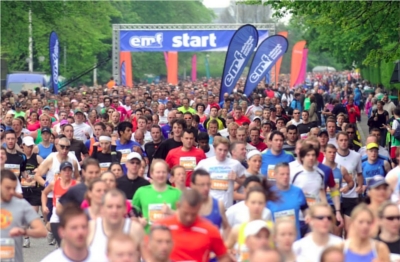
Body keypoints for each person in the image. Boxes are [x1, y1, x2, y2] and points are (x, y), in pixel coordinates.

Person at [156, 189, 229, 261]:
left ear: (199, 208)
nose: (189, 218)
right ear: (178, 206)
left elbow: (224, 256)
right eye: (185, 213)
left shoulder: (210, 230)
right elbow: (149, 253)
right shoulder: (162, 226)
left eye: (193, 214)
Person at [0, 169, 47, 262]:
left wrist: (24, 232)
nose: (12, 192)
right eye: (8, 188)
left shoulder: (21, 205)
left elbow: (42, 231)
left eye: (14, 188)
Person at [87, 189, 144, 262]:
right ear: (102, 209)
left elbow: (147, 258)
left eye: (119, 207)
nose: (114, 211)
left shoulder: (135, 229)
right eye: (110, 207)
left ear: (125, 209)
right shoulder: (91, 228)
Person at [225, 186, 275, 261]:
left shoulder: (272, 229)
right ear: (246, 203)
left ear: (265, 204)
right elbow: (223, 251)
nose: (257, 206)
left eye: (260, 203)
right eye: (253, 202)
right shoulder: (238, 229)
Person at [195, 137, 246, 208]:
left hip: (227, 206)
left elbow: (245, 181)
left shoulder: (235, 164)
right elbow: (194, 180)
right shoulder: (205, 163)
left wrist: (237, 179)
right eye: (220, 149)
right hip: (209, 207)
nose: (222, 153)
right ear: (215, 149)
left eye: (225, 150)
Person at [133, 159, 181, 232]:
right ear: (151, 174)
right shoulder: (141, 191)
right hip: (147, 238)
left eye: (163, 172)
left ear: (167, 173)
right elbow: (131, 213)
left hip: (170, 238)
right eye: (158, 172)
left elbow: (186, 216)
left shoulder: (177, 193)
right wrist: (138, 220)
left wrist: (171, 212)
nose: (161, 175)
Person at [267, 163, 308, 239]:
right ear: (275, 175)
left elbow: (305, 209)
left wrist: (308, 216)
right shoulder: (268, 194)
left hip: (295, 241)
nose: (285, 177)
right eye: (282, 174)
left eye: (287, 174)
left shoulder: (297, 191)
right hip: (275, 242)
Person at [41, 161, 78, 246]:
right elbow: (44, 193)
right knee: (61, 242)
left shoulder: (76, 185)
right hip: (56, 215)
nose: (67, 172)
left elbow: (85, 199)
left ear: (72, 172)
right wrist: (44, 206)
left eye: (69, 170)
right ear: (60, 172)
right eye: (64, 170)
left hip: (71, 215)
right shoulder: (54, 184)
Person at [190, 168, 231, 238]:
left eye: (208, 184)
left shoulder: (218, 205)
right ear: (192, 185)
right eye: (202, 185)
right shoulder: (187, 206)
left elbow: (226, 227)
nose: (206, 188)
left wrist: (225, 245)